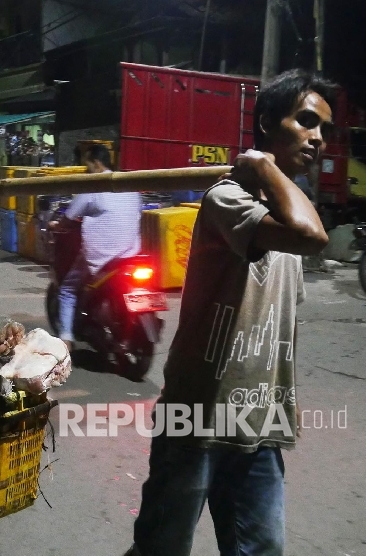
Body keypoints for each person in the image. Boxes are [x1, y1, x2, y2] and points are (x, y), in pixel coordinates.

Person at [128, 69, 333, 556]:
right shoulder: (229, 198)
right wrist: (262, 170)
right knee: (163, 546)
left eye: (325, 128)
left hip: (260, 426)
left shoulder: (288, 210)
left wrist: (286, 397)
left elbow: (278, 323)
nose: (319, 138)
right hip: (196, 418)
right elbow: (314, 237)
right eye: (306, 121)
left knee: (260, 549)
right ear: (266, 122)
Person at [50, 144, 142, 351]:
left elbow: (69, 217)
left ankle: (65, 339)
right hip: (130, 252)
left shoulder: (93, 186)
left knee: (67, 289)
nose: (86, 170)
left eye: (87, 165)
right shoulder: (129, 185)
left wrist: (56, 225)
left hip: (104, 255)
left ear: (97, 164)